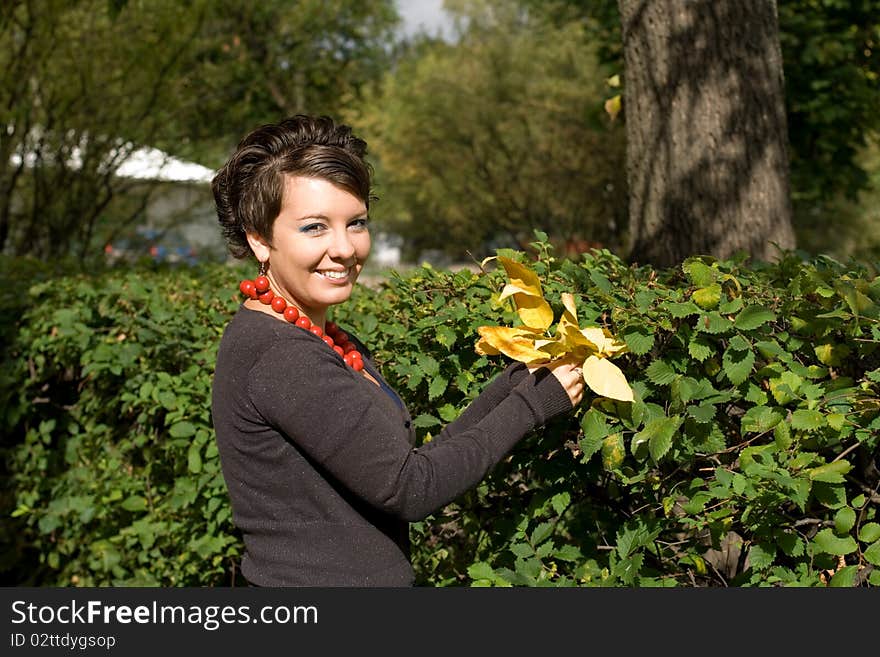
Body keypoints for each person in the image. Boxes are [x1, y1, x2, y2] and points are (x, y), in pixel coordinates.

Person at [210, 114, 585, 587]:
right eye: (314, 228)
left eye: (357, 223)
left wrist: (519, 381)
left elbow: (408, 466)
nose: (344, 248)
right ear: (259, 238)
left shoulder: (316, 337)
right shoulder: (282, 356)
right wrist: (533, 407)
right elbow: (411, 489)